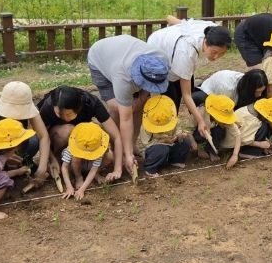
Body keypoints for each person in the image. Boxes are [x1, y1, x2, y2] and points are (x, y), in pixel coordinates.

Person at [87, 34, 170, 182]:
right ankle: (115, 148)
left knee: (138, 105)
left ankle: (130, 144)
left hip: (123, 50)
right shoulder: (122, 78)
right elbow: (126, 119)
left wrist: (143, 97)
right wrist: (127, 154)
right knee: (118, 109)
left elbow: (149, 86)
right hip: (99, 58)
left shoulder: (161, 60)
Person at [147, 20, 232, 140]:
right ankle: (162, 136)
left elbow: (182, 22)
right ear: (206, 42)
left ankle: (180, 133)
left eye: (221, 54)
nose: (216, 57)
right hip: (158, 51)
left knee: (186, 90)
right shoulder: (186, 53)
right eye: (214, 52)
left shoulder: (213, 29)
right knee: (170, 98)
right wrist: (201, 121)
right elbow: (186, 96)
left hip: (175, 46)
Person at [0, 81, 52, 188]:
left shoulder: (29, 108)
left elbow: (43, 136)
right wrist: (2, 157)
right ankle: (3, 171)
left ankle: (23, 160)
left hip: (20, 150)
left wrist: (42, 168)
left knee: (34, 139)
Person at [36, 85, 118, 168]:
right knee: (69, 129)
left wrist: (118, 167)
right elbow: (42, 137)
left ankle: (80, 164)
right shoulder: (48, 105)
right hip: (57, 138)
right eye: (59, 114)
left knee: (98, 128)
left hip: (81, 140)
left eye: (68, 114)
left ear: (78, 108)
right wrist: (51, 159)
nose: (64, 118)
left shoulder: (90, 102)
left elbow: (115, 135)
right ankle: (59, 160)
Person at [223, 97, 272, 166]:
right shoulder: (251, 121)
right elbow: (243, 139)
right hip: (232, 142)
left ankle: (258, 149)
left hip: (242, 135)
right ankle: (247, 152)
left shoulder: (255, 111)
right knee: (263, 127)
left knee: (264, 126)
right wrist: (260, 144)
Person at [139, 95, 194, 177]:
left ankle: (175, 160)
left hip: (170, 144)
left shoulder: (172, 118)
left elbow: (178, 130)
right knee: (162, 150)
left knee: (185, 142)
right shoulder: (145, 127)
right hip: (155, 148)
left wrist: (179, 136)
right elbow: (146, 145)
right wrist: (163, 141)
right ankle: (150, 168)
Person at [60, 123, 110, 200]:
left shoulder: (98, 149)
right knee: (75, 158)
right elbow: (64, 167)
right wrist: (69, 187)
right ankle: (78, 177)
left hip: (90, 164)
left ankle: (96, 175)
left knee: (109, 156)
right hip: (73, 166)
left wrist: (82, 189)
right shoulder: (70, 149)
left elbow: (93, 170)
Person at [191, 94, 238, 164]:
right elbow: (188, 130)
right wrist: (193, 143)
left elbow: (238, 134)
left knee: (219, 130)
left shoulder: (225, 111)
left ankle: (211, 151)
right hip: (198, 132)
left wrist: (235, 155)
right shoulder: (200, 112)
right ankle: (201, 148)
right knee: (200, 133)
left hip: (211, 132)